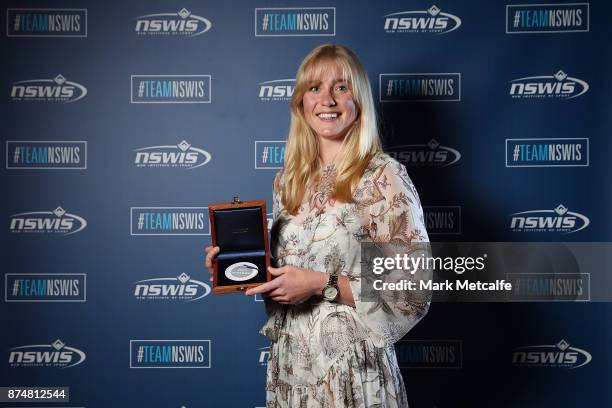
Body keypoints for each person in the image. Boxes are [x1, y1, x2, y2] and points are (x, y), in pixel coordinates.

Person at [205, 44, 430, 407]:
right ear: (300, 103)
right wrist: (233, 267)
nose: (327, 99)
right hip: (291, 369)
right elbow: (286, 274)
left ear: (358, 101)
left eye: (341, 87)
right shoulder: (288, 181)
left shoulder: (382, 176)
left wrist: (318, 284)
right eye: (314, 88)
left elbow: (412, 289)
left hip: (354, 372)